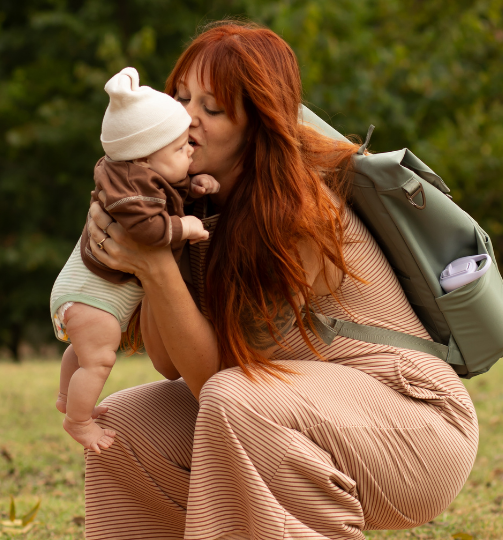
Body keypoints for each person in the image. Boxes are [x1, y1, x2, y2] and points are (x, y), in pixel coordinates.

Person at [81, 21, 479, 540]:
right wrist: (149, 247)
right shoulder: (186, 205)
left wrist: (154, 263)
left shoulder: (297, 215)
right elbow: (168, 362)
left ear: (257, 126)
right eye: (180, 98)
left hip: (416, 427)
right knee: (123, 426)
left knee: (232, 397)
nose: (187, 118)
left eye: (213, 108)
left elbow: (215, 383)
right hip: (300, 411)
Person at [49, 67, 218, 454]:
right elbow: (149, 231)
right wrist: (186, 227)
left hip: (79, 293)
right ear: (145, 161)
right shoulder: (133, 195)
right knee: (99, 359)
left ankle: (65, 395)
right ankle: (78, 420)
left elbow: (166, 191)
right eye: (180, 149)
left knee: (81, 350)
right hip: (95, 299)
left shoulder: (134, 176)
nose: (190, 149)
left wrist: (195, 185)